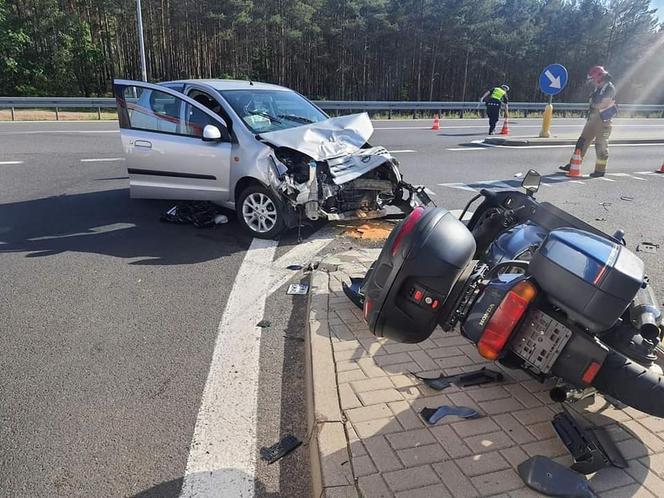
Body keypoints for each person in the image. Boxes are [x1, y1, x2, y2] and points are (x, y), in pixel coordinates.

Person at [560, 66, 617, 177]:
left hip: (603, 121)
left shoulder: (609, 88)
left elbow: (604, 104)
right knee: (582, 141)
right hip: (593, 118)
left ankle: (600, 170)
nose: (592, 82)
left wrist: (593, 105)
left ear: (599, 78)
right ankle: (573, 165)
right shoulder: (598, 88)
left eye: (593, 79)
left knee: (601, 145)